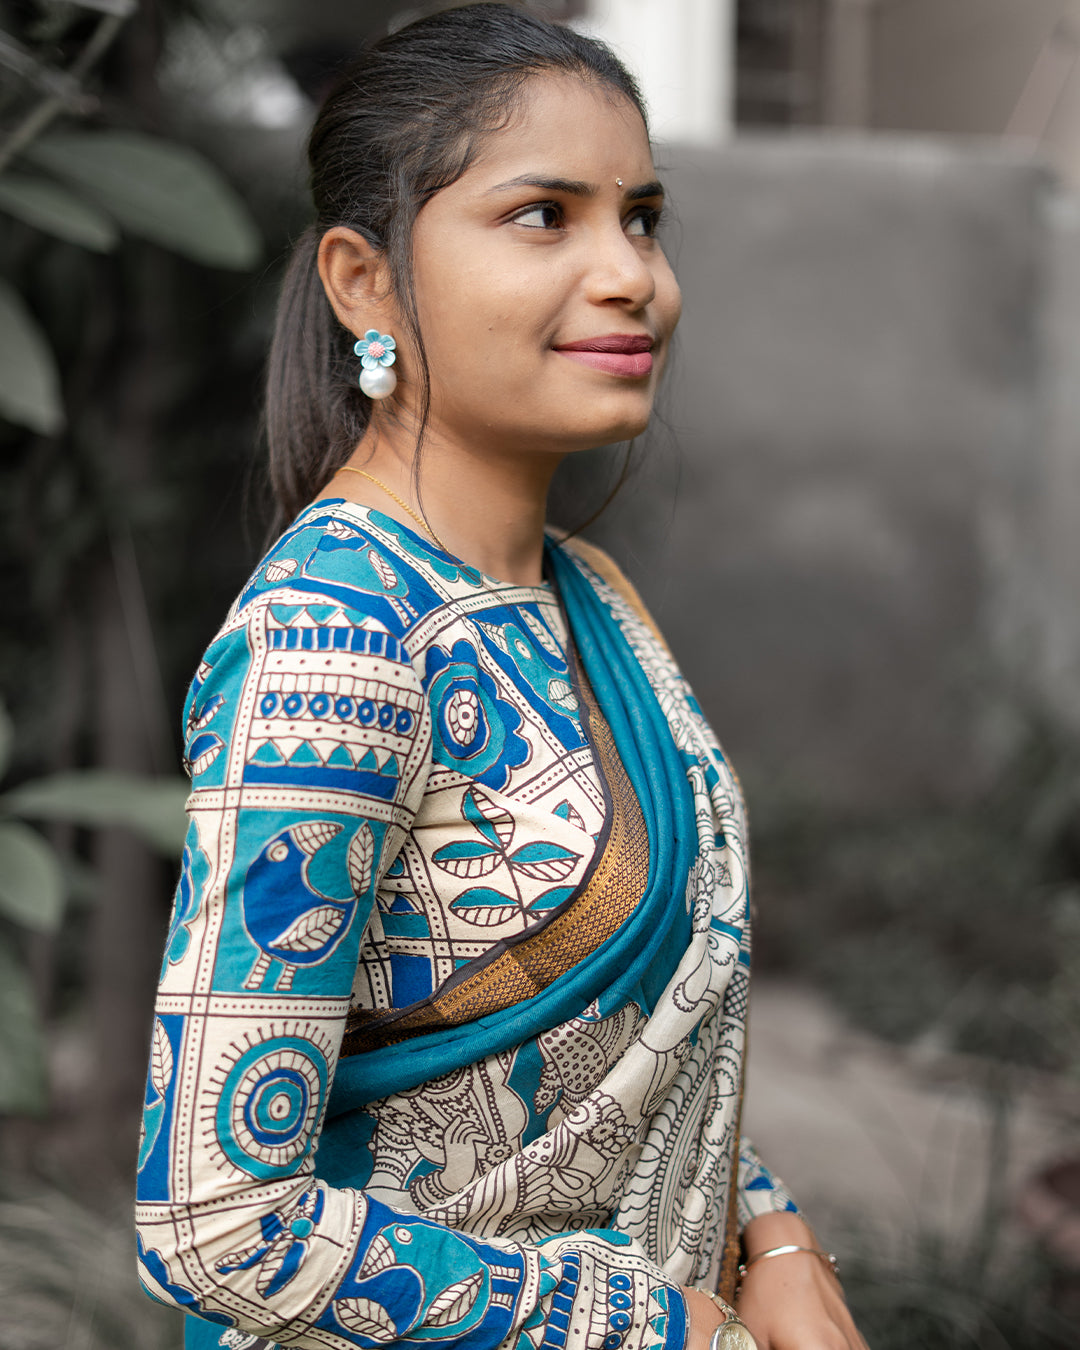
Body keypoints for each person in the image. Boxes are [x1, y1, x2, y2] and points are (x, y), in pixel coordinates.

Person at [135, 7, 869, 1350]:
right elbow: (214, 1220)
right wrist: (644, 1326)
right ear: (364, 282)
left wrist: (773, 1234)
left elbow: (649, 1026)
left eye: (642, 218)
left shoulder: (586, 596)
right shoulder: (334, 640)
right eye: (545, 216)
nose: (630, 274)